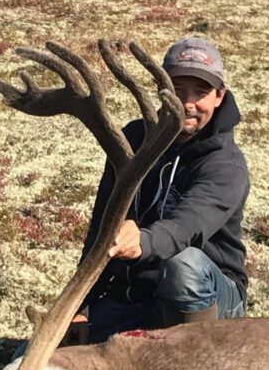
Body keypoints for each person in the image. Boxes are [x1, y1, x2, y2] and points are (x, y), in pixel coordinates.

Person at [66, 37, 249, 345]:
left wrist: (143, 242)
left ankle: (195, 361)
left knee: (183, 266)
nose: (187, 103)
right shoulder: (133, 139)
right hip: (135, 295)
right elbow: (101, 227)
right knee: (38, 359)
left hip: (209, 297)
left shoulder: (226, 166)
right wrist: (80, 306)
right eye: (177, 90)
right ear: (160, 90)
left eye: (200, 92)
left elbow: (186, 227)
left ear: (219, 96)